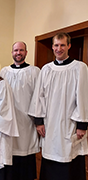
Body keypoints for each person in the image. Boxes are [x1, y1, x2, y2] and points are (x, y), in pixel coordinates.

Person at [28, 32, 88, 180]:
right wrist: (39, 122)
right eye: (56, 45)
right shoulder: (46, 69)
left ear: (69, 45)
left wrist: (82, 124)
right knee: (50, 157)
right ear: (52, 47)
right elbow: (38, 96)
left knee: (69, 157)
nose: (59, 48)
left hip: (70, 123)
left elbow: (83, 95)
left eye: (62, 45)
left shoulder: (79, 68)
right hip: (50, 123)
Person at [0, 41, 40, 180]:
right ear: (12, 53)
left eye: (21, 50)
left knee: (25, 151)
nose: (18, 53)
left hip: (27, 121)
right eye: (16, 50)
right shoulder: (4, 72)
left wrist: (38, 120)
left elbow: (38, 97)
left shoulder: (34, 71)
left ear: (26, 52)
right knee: (9, 151)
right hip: (9, 120)